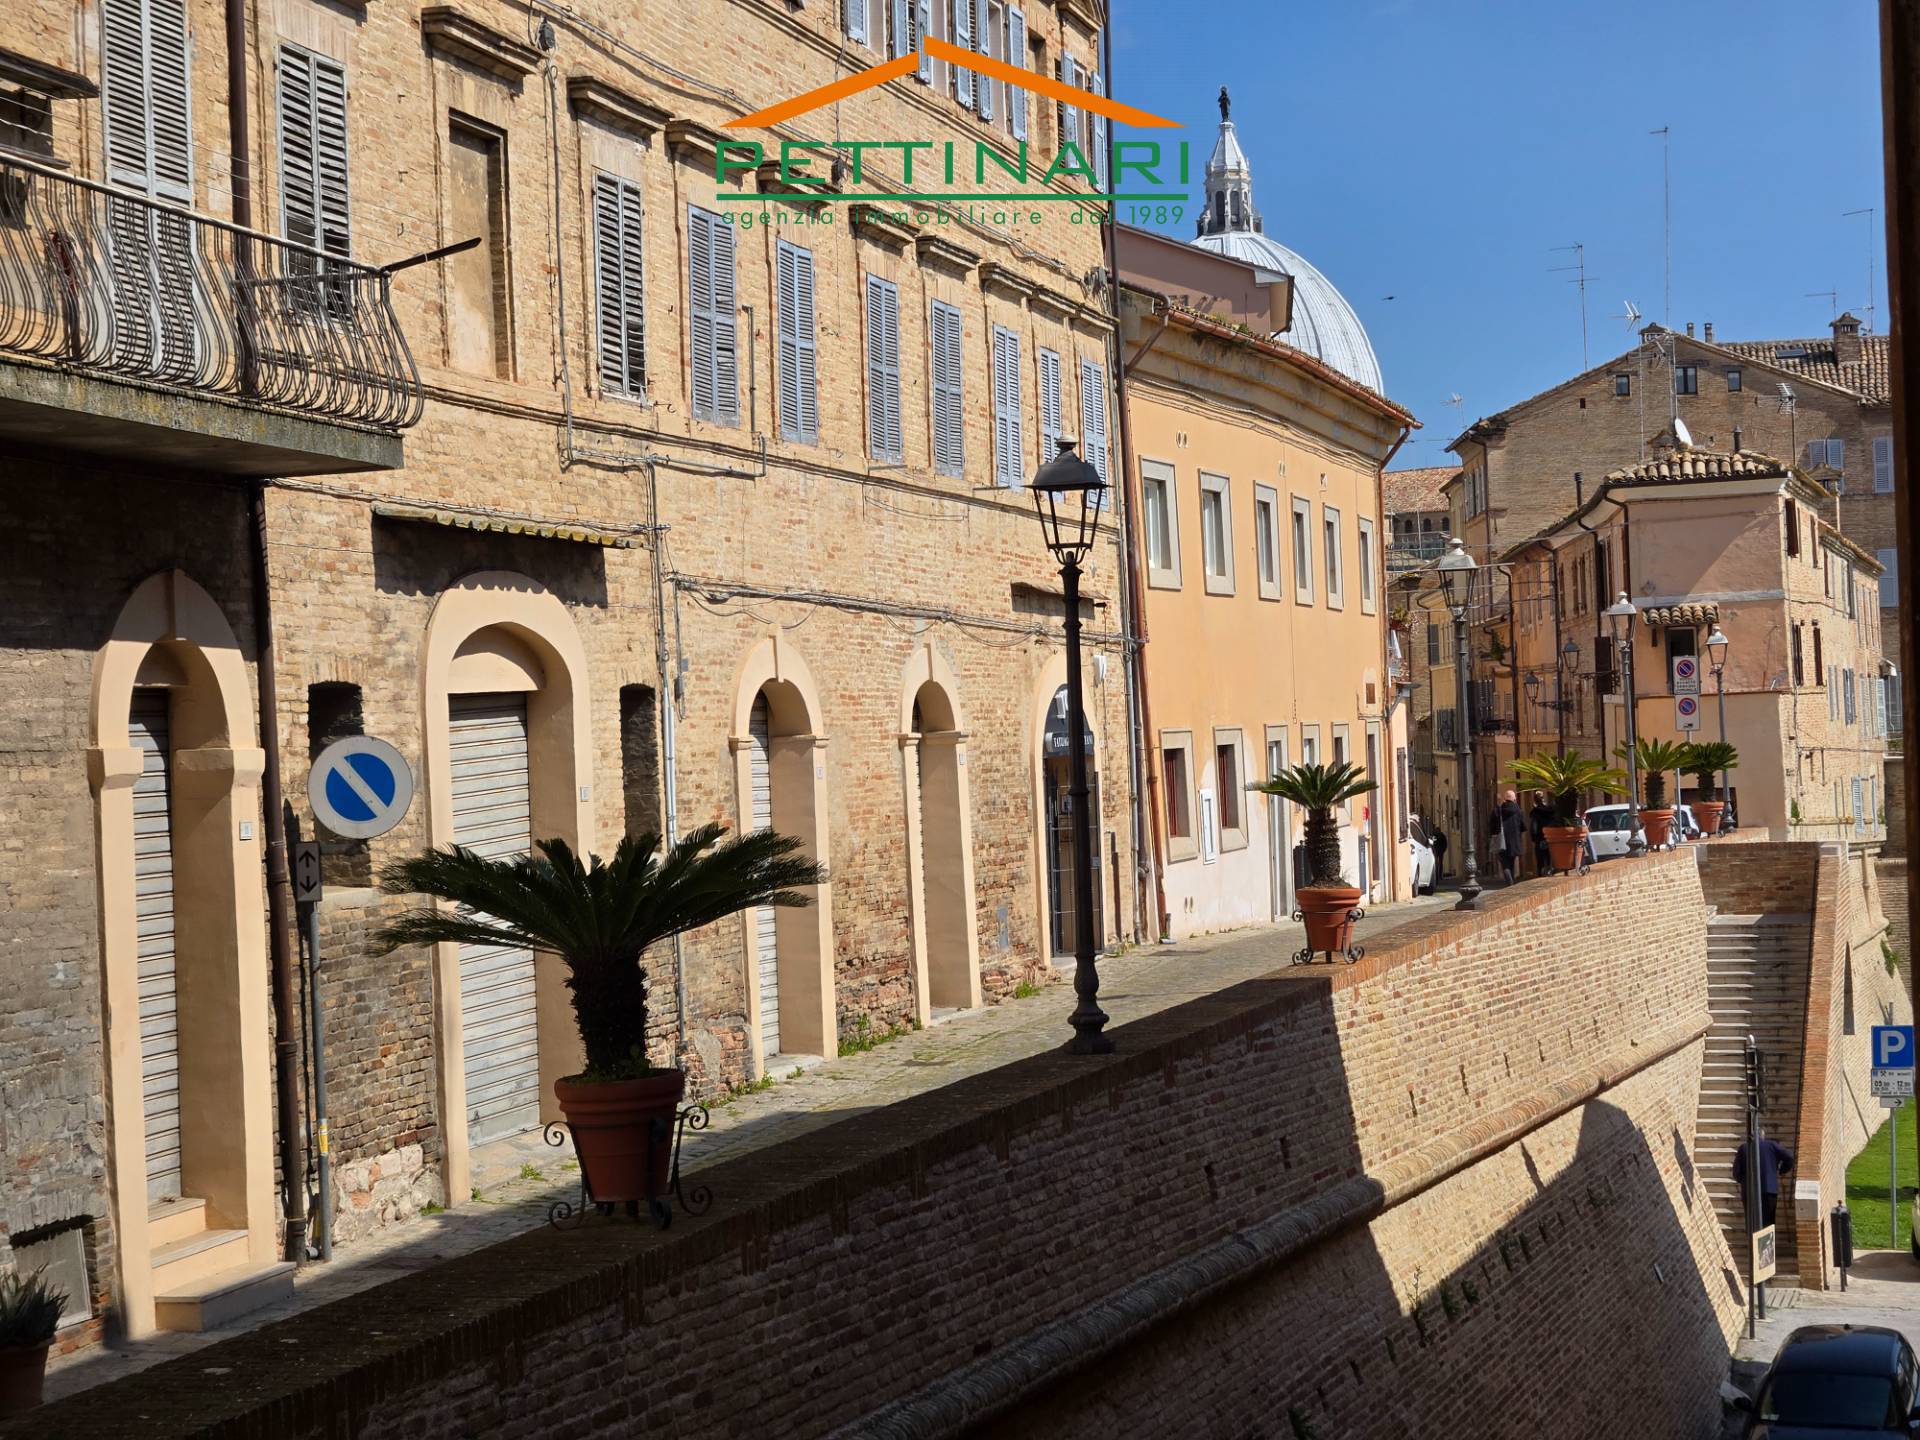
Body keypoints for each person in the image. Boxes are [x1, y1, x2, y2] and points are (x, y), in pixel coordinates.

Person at [1732, 1128, 1796, 1229]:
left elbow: (1736, 1172)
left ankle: (1752, 1238)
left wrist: (1743, 1180)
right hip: (1769, 1189)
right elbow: (1789, 1156)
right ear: (1763, 1136)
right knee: (1768, 1222)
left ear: (1751, 1137)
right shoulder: (1771, 1145)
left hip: (1749, 1191)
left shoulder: (1744, 1148)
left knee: (1752, 1221)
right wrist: (1782, 1170)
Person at [1494, 790, 1524, 884]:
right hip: (1514, 841)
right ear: (1514, 799)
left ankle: (1510, 883)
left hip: (1501, 840)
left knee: (1504, 863)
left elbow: (1492, 826)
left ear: (1505, 799)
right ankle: (1511, 883)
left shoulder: (1498, 810)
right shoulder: (1518, 811)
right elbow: (1523, 826)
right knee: (1511, 862)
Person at [1527, 790, 1556, 875]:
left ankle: (1541, 873)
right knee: (1549, 856)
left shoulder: (1535, 812)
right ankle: (1550, 872)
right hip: (1549, 836)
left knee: (1540, 859)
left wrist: (1534, 837)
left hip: (1539, 838)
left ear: (1535, 800)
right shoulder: (1550, 810)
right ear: (1543, 799)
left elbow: (1534, 827)